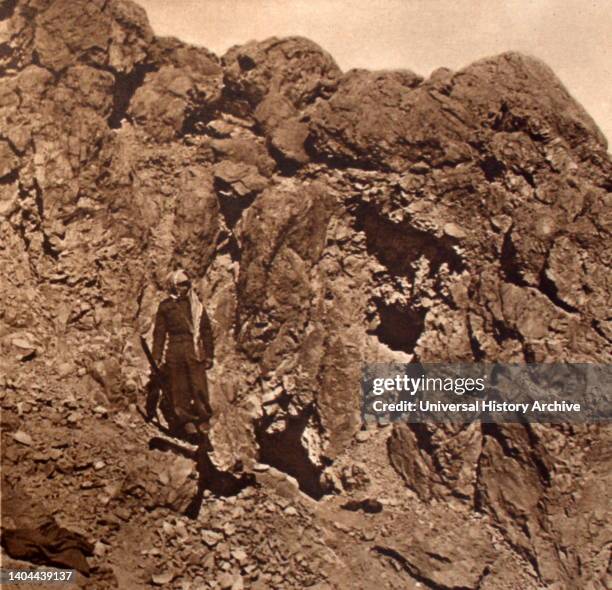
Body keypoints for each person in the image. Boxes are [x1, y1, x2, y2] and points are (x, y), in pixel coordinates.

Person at [150, 269, 214, 437]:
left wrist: (209, 355)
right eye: (181, 284)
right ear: (173, 286)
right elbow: (159, 333)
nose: (184, 288)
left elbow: (206, 331)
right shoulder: (165, 306)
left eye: (187, 284)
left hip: (194, 347)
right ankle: (186, 421)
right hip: (175, 348)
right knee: (179, 387)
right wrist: (156, 356)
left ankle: (203, 418)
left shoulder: (196, 306)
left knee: (199, 384)